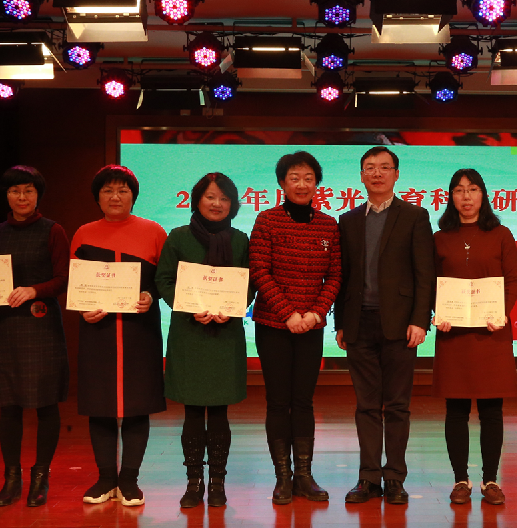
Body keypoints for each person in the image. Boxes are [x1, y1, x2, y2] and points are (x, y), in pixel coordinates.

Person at [336, 146, 436, 505]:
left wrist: (420, 320)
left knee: (396, 405)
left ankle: (394, 476)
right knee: (365, 405)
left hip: (400, 325)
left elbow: (425, 273)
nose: (376, 173)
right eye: (369, 168)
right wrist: (341, 321)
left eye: (384, 167)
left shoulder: (415, 216)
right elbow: (343, 275)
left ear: (396, 174)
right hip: (358, 323)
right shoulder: (348, 220)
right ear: (361, 176)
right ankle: (368, 477)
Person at [71, 165, 167, 507]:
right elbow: (77, 284)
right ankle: (105, 478)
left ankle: (129, 480)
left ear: (133, 197)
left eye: (122, 190)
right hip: (97, 331)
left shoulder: (153, 232)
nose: (115, 197)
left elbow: (164, 279)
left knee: (137, 406)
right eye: (108, 191)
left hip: (140, 331)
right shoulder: (84, 234)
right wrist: (83, 308)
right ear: (97, 197)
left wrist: (150, 295)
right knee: (100, 406)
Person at [156, 173, 253, 508]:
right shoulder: (178, 237)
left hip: (226, 334)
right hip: (190, 333)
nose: (217, 204)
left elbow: (249, 283)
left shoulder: (240, 240)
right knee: (193, 411)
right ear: (197, 200)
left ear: (233, 204)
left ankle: (218, 481)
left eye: (224, 198)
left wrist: (233, 308)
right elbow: (164, 279)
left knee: (221, 411)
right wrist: (188, 306)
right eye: (210, 197)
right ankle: (194, 481)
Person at [249, 152, 341, 504]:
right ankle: (282, 477)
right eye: (294, 178)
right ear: (282, 183)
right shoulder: (267, 220)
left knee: (303, 401)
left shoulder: (328, 225)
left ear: (317, 183)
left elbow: (335, 275)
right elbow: (259, 270)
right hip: (273, 324)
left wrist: (316, 314)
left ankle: (304, 475)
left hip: (311, 327)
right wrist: (288, 313)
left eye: (308, 178)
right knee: (278, 401)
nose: (302, 184)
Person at [432, 169, 517, 506]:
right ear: (451, 197)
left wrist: (503, 312)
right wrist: (437, 312)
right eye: (459, 190)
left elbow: (512, 280)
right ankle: (460, 480)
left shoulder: (501, 234)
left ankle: (491, 480)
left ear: (483, 195)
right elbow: (431, 282)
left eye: (472, 189)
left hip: (491, 334)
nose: (466, 196)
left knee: (491, 411)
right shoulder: (439, 238)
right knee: (455, 410)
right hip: (453, 335)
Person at [0, 166, 70, 508]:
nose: (22, 197)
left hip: (41, 324)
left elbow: (63, 278)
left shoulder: (53, 230)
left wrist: (34, 290)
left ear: (38, 195)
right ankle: (11, 478)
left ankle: (40, 476)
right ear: (6, 196)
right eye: (15, 191)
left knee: (46, 404)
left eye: (29, 191)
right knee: (9, 406)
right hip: (5, 327)